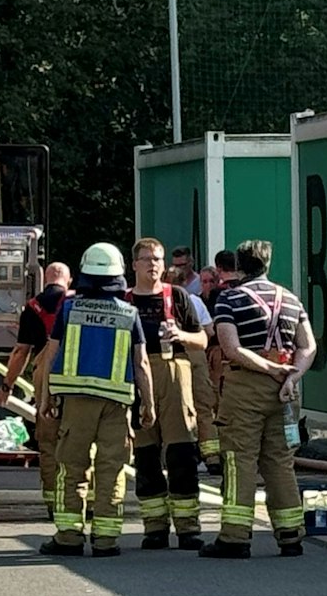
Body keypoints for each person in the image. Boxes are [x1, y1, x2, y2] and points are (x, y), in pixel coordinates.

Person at [33, 243, 153, 557]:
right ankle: (106, 540)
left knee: (72, 467)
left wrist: (45, 398)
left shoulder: (69, 310)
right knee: (111, 469)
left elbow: (50, 356)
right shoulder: (129, 313)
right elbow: (141, 363)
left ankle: (69, 537)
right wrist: (149, 404)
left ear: (85, 273)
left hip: (76, 403)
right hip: (116, 404)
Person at [204, 239, 317, 559]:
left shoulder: (229, 299)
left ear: (238, 267)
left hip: (246, 388)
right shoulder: (291, 299)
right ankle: (291, 535)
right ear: (267, 264)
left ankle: (234, 537)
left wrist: (269, 369)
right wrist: (290, 376)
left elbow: (231, 348)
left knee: (239, 460)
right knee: (280, 461)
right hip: (285, 391)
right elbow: (308, 346)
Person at [125, 238, 207, 550]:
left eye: (158, 259)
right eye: (147, 259)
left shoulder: (179, 296)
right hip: (136, 377)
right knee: (146, 456)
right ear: (134, 264)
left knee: (181, 453)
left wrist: (181, 334)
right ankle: (154, 527)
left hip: (174, 373)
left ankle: (188, 527)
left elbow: (202, 340)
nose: (153, 264)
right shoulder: (124, 300)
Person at [2, 261, 73, 516]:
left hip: (47, 377)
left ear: (45, 280)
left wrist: (6, 386)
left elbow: (21, 352)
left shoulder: (33, 308)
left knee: (49, 441)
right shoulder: (77, 303)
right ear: (69, 281)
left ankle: (54, 503)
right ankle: (79, 500)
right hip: (77, 374)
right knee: (79, 439)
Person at [192, 249, 239, 464]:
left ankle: (216, 454)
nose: (209, 285)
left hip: (218, 354)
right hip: (235, 355)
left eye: (212, 280)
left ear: (219, 270)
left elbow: (212, 331)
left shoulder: (218, 296)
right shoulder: (243, 291)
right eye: (205, 282)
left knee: (216, 403)